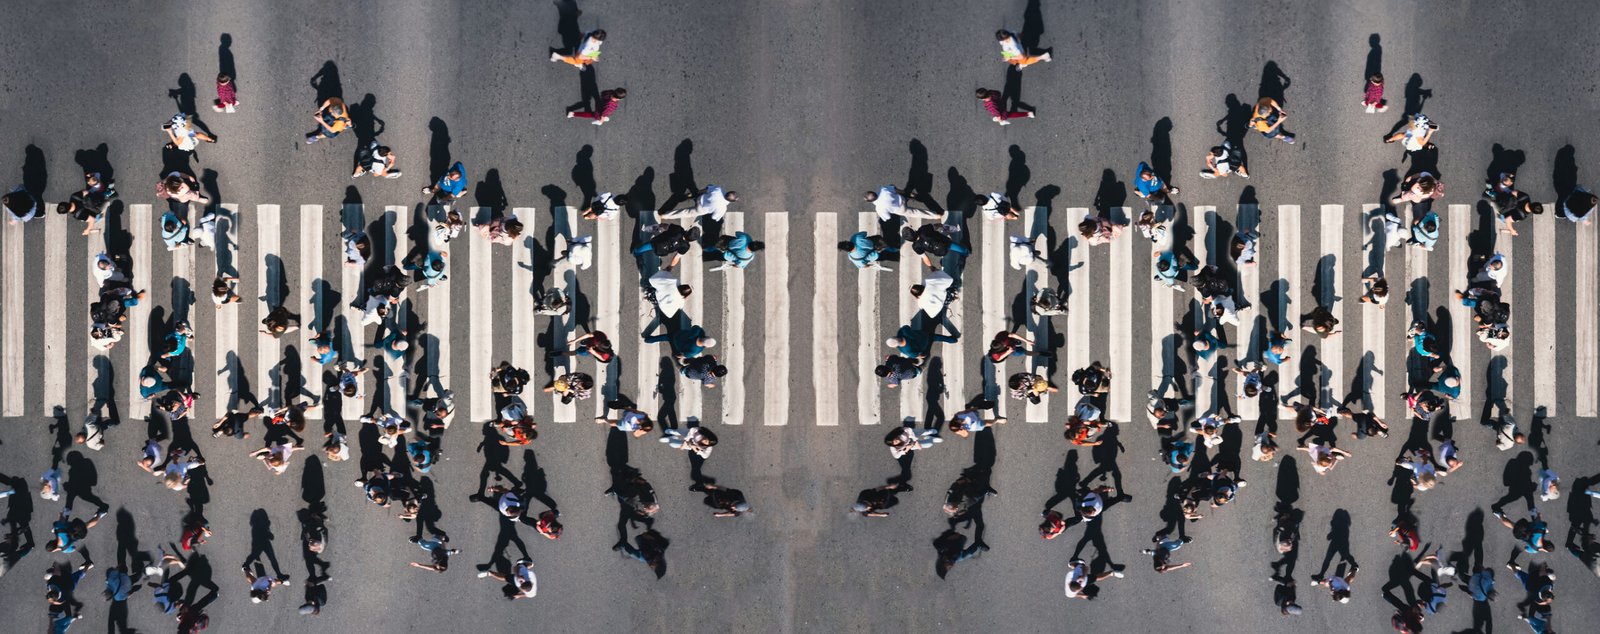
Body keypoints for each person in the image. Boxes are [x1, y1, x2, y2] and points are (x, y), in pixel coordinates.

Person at [864, 185, 939, 221]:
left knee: (916, 212)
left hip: (900, 209)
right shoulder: (883, 190)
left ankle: (935, 216)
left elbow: (888, 217)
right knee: (893, 187)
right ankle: (910, 195)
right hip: (901, 198)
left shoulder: (879, 208)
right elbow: (896, 190)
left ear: (871, 201)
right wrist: (904, 192)